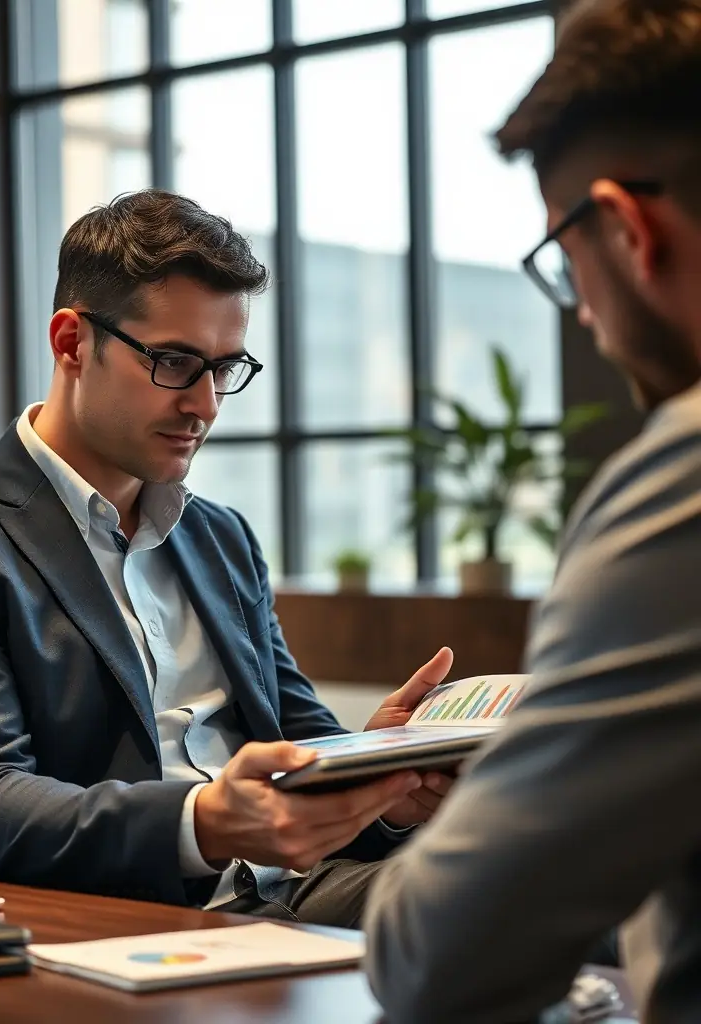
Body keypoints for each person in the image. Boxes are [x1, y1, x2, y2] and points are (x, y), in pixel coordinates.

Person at [0, 189, 455, 926]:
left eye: (225, 368)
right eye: (176, 362)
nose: (206, 404)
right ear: (71, 342)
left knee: (553, 882)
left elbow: (299, 746)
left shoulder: (219, 536)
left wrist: (379, 773)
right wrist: (201, 822)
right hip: (127, 917)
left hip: (293, 891)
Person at [364, 0, 701, 1019]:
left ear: (627, 227)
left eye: (565, 260)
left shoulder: (682, 485)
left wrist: (518, 791)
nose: (587, 314)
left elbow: (436, 953)